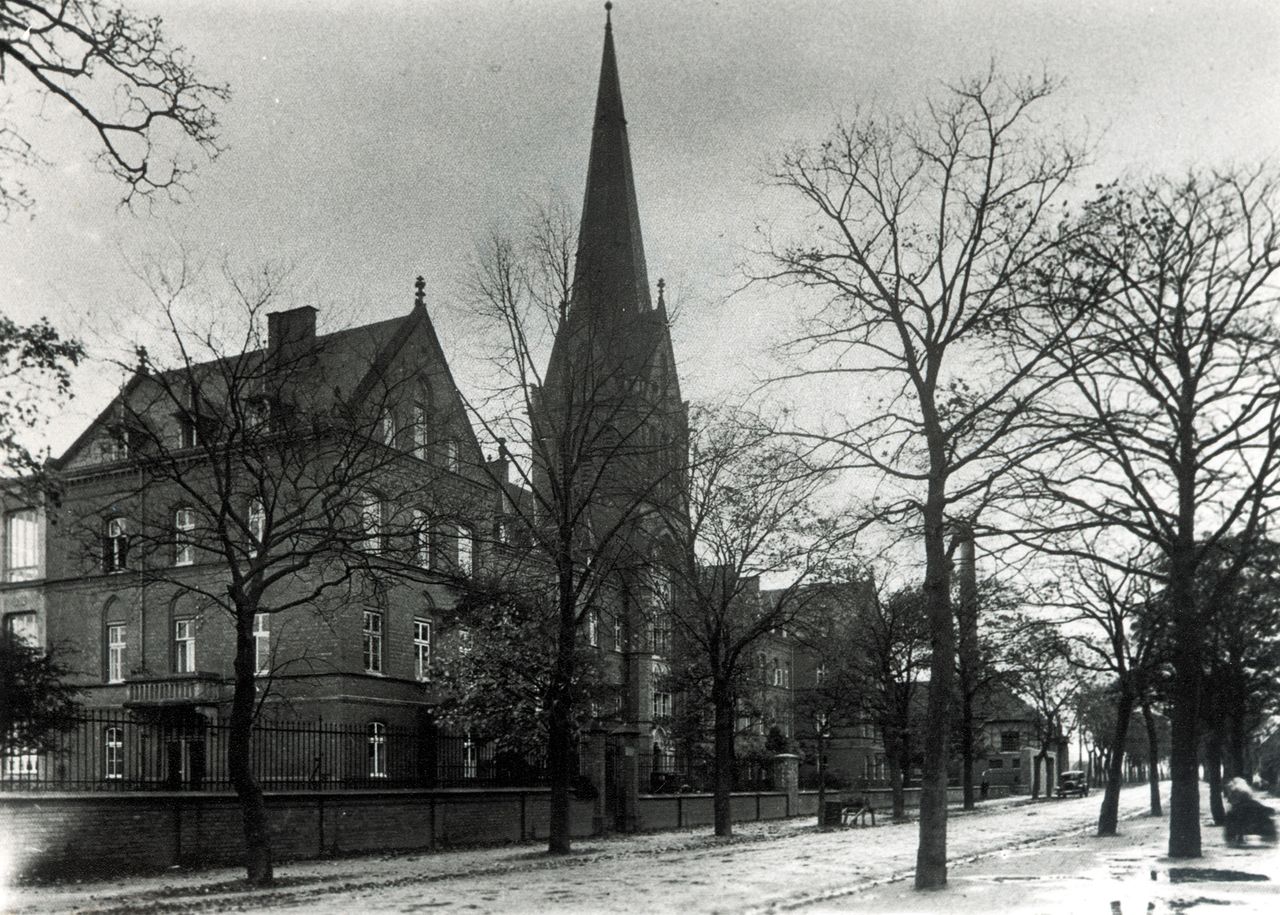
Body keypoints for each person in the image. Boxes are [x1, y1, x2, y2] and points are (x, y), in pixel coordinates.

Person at [1223, 776, 1277, 846]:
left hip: (1241, 828)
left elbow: (1229, 828)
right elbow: (1269, 810)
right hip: (1258, 827)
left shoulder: (1234, 810)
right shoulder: (1255, 804)